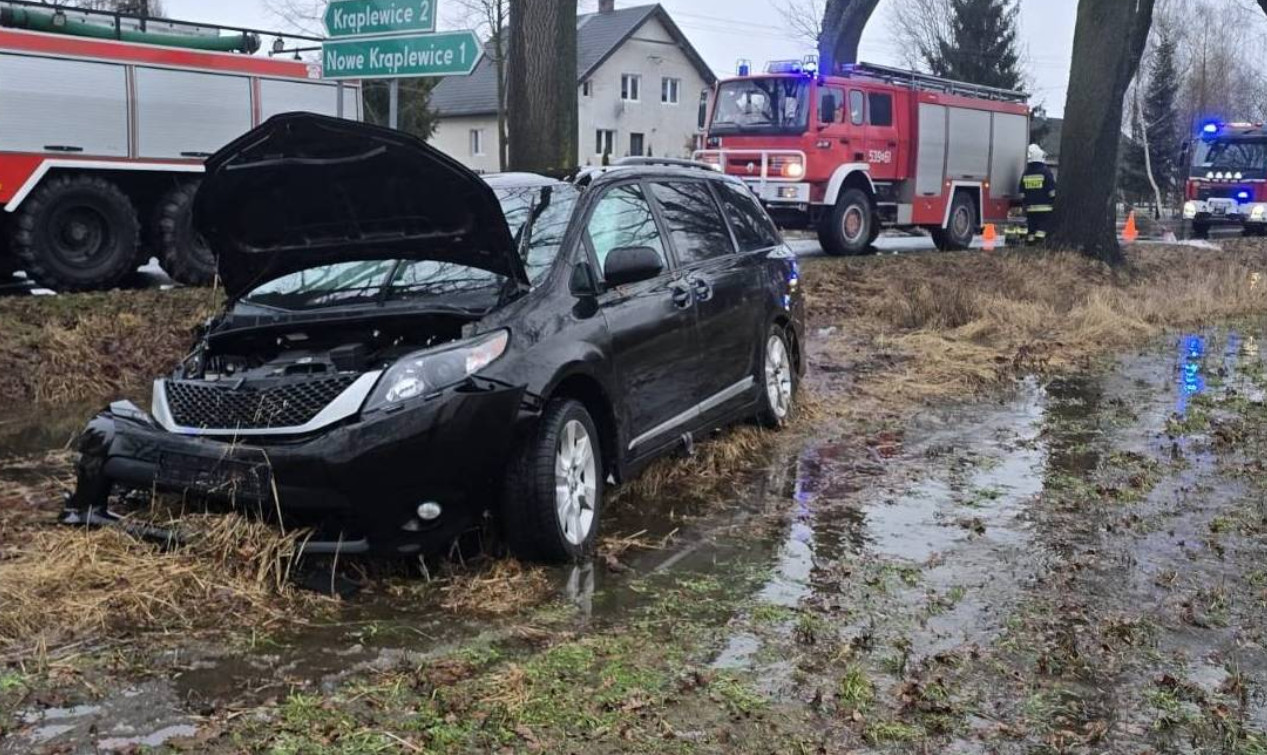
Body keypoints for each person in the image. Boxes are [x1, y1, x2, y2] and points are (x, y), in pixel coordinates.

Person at [1020, 144, 1056, 244]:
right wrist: (1054, 200)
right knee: (1043, 225)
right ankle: (1039, 241)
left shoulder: (1026, 173)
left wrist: (1025, 202)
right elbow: (1051, 189)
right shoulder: (1046, 172)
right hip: (1045, 208)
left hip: (1030, 208)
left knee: (1031, 226)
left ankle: (1030, 242)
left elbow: (1021, 190)